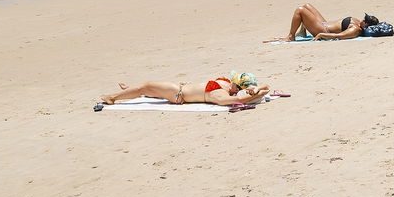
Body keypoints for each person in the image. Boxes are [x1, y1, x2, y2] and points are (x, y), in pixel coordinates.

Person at [100, 72, 270, 107]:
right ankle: (128, 90)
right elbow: (265, 86)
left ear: (237, 86)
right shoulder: (225, 84)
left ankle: (112, 97)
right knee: (148, 91)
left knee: (145, 87)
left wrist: (259, 93)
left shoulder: (220, 93)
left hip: (177, 92)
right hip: (179, 91)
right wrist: (259, 88)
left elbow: (237, 100)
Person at [263, 4, 381, 41]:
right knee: (307, 5)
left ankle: (291, 36)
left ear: (367, 25)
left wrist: (321, 35)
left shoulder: (355, 30)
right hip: (324, 24)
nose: (362, 20)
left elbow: (339, 36)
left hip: (323, 29)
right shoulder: (358, 23)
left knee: (300, 10)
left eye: (365, 20)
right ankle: (302, 31)